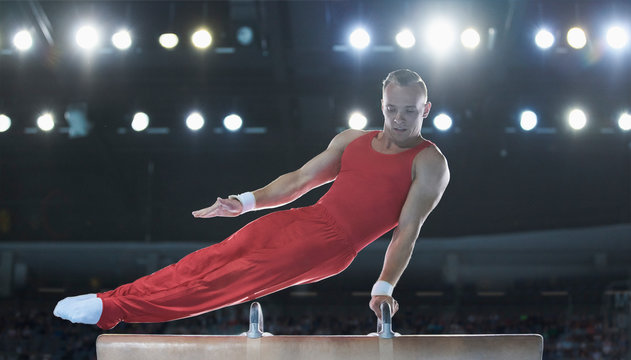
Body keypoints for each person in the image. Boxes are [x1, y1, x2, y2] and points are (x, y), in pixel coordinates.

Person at [53, 69, 450, 330]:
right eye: (392, 108)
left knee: (228, 281)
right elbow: (297, 181)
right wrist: (243, 202)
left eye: (410, 111)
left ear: (426, 109)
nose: (399, 119)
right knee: (207, 260)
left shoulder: (429, 161)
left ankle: (116, 312)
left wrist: (384, 287)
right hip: (303, 218)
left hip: (332, 244)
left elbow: (408, 230)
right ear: (381, 103)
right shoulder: (351, 139)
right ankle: (110, 297)